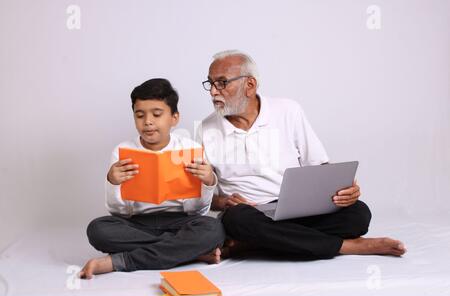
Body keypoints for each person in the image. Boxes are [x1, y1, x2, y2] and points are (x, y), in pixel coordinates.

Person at [196, 50, 406, 260]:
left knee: (358, 214)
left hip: (295, 210)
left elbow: (319, 166)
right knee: (236, 221)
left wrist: (345, 190)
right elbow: (199, 197)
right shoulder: (205, 129)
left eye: (222, 83)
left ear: (250, 85)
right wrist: (223, 202)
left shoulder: (288, 111)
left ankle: (252, 244)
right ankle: (348, 246)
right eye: (210, 83)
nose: (213, 92)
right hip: (250, 214)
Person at [80, 78, 225, 279]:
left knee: (213, 229)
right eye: (140, 115)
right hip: (138, 224)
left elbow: (196, 211)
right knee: (98, 230)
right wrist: (112, 182)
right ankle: (189, 252)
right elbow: (118, 212)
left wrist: (209, 182)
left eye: (157, 114)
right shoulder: (123, 152)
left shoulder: (189, 150)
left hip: (180, 221)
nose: (147, 121)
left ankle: (119, 261)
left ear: (174, 118)